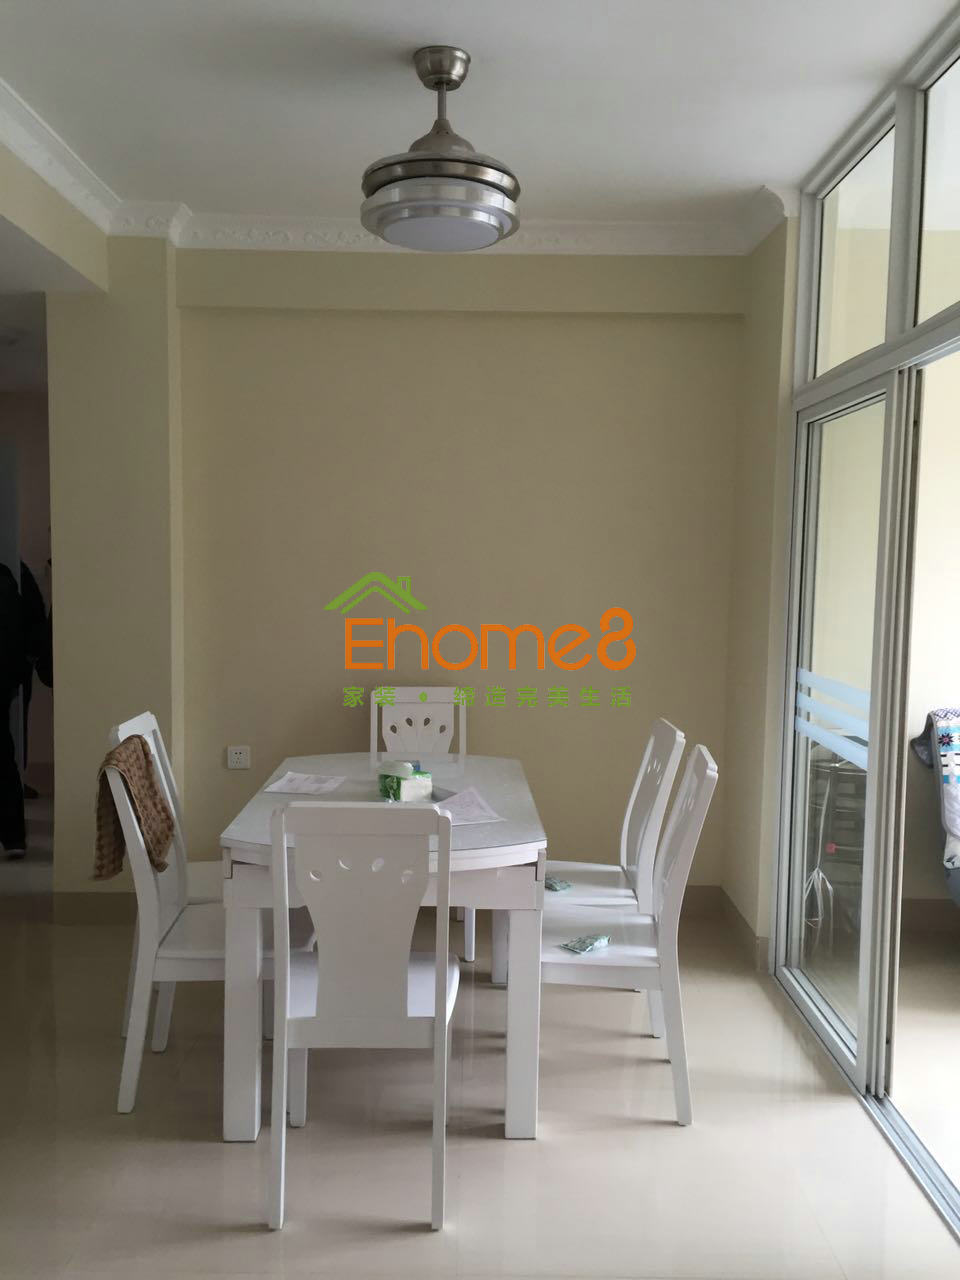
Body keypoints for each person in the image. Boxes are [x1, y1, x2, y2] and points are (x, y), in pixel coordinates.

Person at [0, 563, 26, 858]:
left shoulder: (5, 584)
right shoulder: (6, 583)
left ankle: (13, 836)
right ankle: (13, 837)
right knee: (4, 761)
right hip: (3, 685)